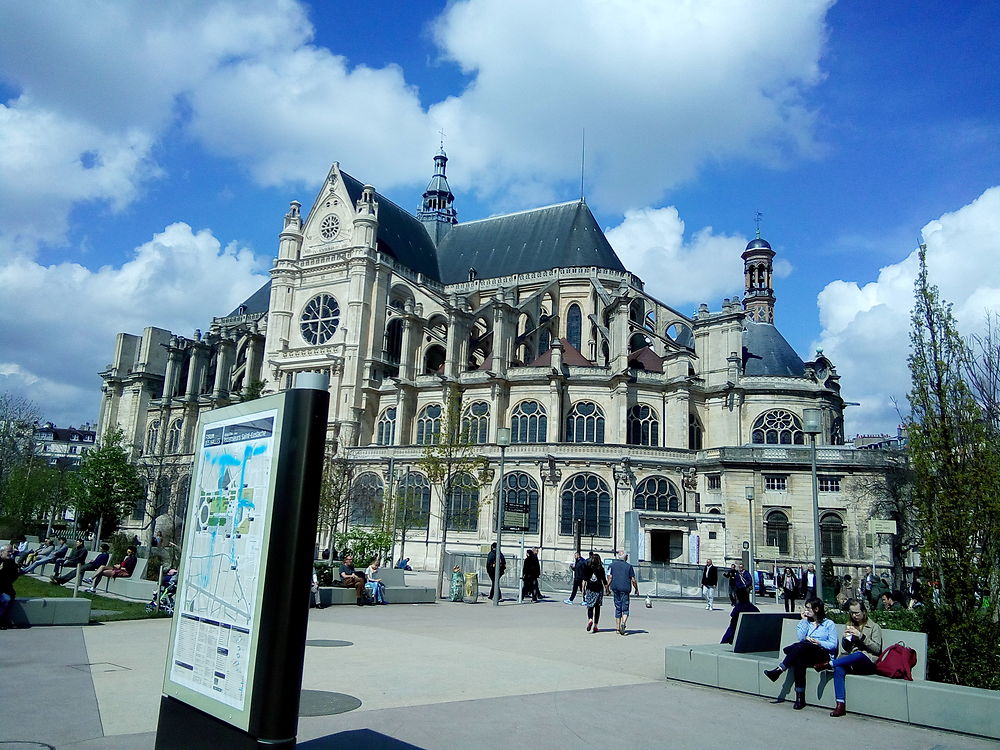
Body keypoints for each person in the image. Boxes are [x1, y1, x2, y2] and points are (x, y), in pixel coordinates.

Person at [762, 597, 838, 709]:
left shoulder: (828, 624)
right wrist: (804, 620)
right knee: (799, 659)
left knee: (801, 646)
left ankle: (779, 669)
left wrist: (818, 642)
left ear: (816, 609)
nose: (806, 610)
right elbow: (801, 637)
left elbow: (833, 645)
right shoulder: (806, 623)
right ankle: (800, 698)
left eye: (808, 608)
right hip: (807, 652)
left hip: (822, 654)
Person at [822, 598, 883, 717]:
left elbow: (877, 649)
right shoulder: (849, 625)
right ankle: (840, 705)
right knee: (839, 669)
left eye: (857, 613)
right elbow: (846, 648)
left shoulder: (874, 627)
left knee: (859, 655)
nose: (854, 616)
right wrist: (846, 639)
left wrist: (861, 636)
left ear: (864, 612)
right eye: (852, 613)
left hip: (868, 662)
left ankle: (831, 663)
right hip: (851, 660)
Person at [608, 551, 639, 635]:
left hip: (615, 588)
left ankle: (617, 628)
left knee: (618, 607)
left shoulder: (612, 565)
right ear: (626, 557)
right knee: (625, 608)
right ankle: (623, 623)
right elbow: (633, 580)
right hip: (625, 589)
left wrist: (607, 586)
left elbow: (610, 577)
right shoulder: (629, 567)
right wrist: (636, 589)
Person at [582, 551, 609, 633]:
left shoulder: (588, 567)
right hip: (598, 589)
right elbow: (604, 580)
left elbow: (584, 580)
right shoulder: (601, 569)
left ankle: (590, 619)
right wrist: (607, 589)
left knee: (590, 606)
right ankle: (596, 626)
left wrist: (583, 589)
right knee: (597, 607)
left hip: (590, 589)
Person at [0, 544, 19, 629]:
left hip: (5, 589)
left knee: (7, 599)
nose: (11, 553)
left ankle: (3, 620)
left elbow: (14, 576)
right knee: (4, 599)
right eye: (9, 551)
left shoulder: (11, 563)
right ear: (1, 553)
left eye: (12, 551)